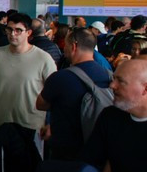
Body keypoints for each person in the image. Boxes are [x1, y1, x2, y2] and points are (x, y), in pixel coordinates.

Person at [0, 11, 57, 172]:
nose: (12, 34)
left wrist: (51, 123)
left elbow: (54, 93)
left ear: (28, 33)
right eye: (9, 30)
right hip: (1, 125)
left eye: (18, 30)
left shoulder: (43, 58)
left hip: (32, 128)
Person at [37, 27, 112, 162]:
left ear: (74, 46)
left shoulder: (60, 77)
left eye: (66, 44)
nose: (64, 48)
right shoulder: (109, 75)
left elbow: (40, 104)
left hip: (65, 153)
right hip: (98, 151)